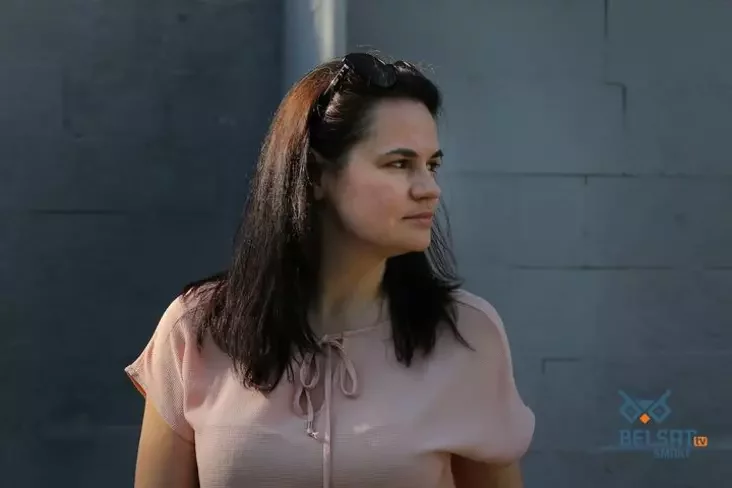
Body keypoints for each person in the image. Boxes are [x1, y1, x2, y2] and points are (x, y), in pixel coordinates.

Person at [125, 52, 535, 488]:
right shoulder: (197, 329)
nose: (429, 189)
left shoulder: (466, 334)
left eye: (431, 165)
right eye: (399, 164)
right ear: (317, 175)